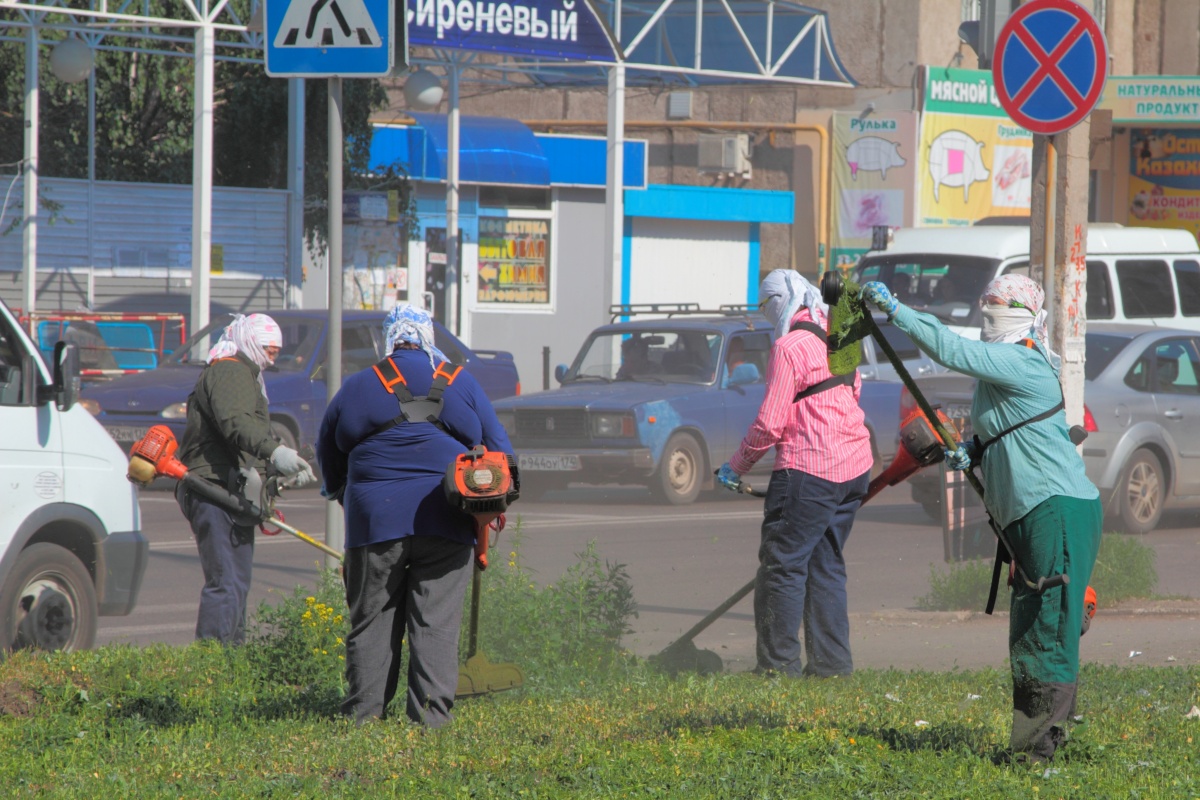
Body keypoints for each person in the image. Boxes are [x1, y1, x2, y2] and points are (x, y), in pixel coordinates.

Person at [862, 274, 1101, 765]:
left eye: (996, 302)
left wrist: (897, 310)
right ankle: (1044, 735)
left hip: (1055, 509)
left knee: (1044, 630)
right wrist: (974, 450)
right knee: (1036, 624)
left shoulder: (1022, 361)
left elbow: (952, 348)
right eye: (984, 299)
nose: (986, 307)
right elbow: (1012, 430)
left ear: (1018, 311)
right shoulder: (1002, 372)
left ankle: (1036, 758)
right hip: (1035, 515)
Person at [316, 304, 514, 727]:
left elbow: (327, 451)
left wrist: (339, 491)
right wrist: (491, 505)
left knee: (371, 620)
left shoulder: (357, 385)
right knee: (436, 622)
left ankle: (363, 719)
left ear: (388, 340)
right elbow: (503, 452)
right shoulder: (460, 382)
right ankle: (431, 721)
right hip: (448, 520)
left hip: (374, 521)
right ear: (429, 337)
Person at [716, 269, 873, 678]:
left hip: (809, 471)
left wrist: (736, 467)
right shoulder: (842, 334)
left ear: (779, 305)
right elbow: (853, 393)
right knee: (826, 565)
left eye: (767, 309)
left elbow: (770, 424)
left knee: (782, 567)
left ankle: (777, 668)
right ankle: (832, 668)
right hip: (854, 468)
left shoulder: (789, 347)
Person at [176, 313, 317, 645]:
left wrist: (276, 472)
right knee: (226, 582)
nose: (272, 358)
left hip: (229, 491)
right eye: (268, 349)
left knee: (236, 583)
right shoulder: (229, 370)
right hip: (213, 489)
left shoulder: (245, 373)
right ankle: (213, 667)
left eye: (276, 351)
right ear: (249, 341)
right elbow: (237, 423)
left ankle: (233, 664)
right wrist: (275, 452)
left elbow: (244, 437)